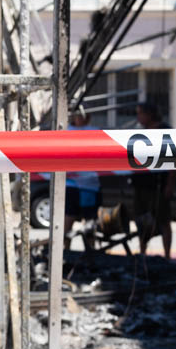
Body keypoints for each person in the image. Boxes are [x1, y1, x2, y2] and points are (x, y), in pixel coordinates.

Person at [133, 101, 176, 259]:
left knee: (163, 219)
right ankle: (143, 253)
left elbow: (175, 159)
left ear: (149, 114)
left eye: (140, 113)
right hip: (141, 184)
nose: (138, 117)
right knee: (141, 219)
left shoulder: (165, 131)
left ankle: (167, 255)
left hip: (159, 183)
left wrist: (170, 183)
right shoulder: (141, 131)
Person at [64, 106, 101, 248]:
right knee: (68, 218)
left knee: (90, 222)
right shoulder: (66, 130)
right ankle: (65, 251)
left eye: (83, 115)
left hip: (90, 185)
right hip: (71, 184)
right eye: (77, 115)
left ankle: (91, 252)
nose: (80, 118)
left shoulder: (95, 131)